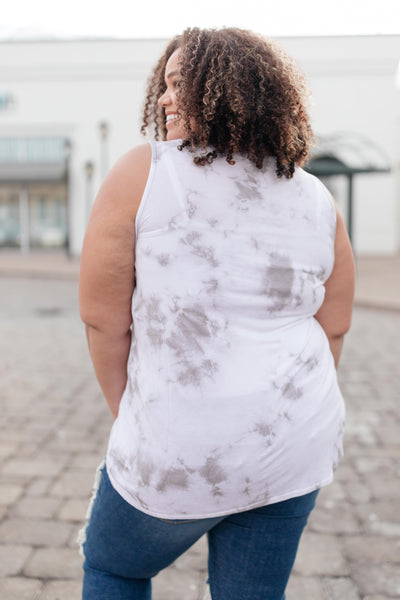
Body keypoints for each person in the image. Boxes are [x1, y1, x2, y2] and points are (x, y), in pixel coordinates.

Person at [79, 27, 355, 600]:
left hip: (179, 447)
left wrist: (130, 416)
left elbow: (105, 320)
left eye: (180, 84)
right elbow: (335, 325)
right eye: (165, 83)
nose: (163, 97)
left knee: (115, 567)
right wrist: (284, 406)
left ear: (228, 91)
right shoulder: (316, 196)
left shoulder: (144, 171)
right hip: (294, 445)